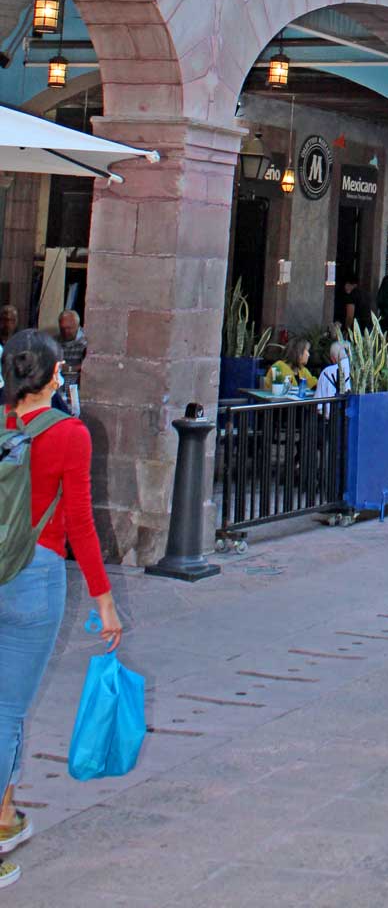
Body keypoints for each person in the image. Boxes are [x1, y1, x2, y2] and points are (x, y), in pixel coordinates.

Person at [0, 330, 121, 890]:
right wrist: (105, 601)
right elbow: (79, 524)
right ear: (54, 377)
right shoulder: (70, 434)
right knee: (6, 712)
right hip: (34, 578)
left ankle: (5, 815)